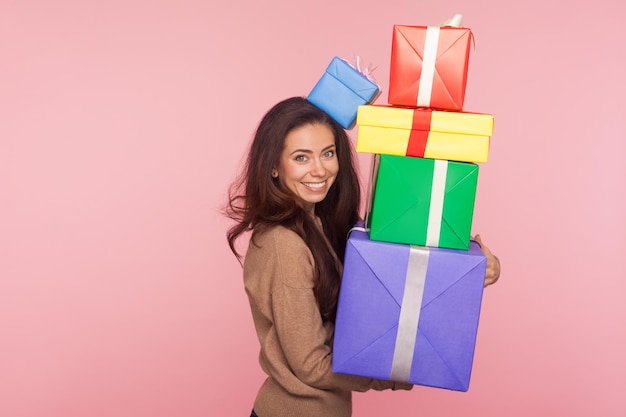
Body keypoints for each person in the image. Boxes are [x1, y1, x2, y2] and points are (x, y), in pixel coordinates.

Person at [225, 97, 501, 417]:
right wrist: (399, 371)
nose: (319, 169)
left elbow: (392, 272)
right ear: (273, 166)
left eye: (328, 153)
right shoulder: (282, 245)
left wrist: (471, 270)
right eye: (301, 157)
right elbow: (311, 366)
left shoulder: (323, 225)